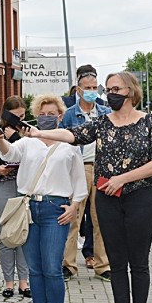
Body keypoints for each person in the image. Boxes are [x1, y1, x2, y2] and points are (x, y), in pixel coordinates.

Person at [28, 72, 152, 303]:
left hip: (140, 198)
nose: (110, 93)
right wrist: (39, 132)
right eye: (109, 88)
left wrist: (122, 179)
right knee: (116, 262)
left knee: (138, 262)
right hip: (108, 200)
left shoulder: (148, 121)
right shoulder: (102, 123)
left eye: (116, 88)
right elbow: (72, 134)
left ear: (130, 91)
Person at [0, 94, 86, 303]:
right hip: (29, 208)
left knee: (52, 267)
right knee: (34, 267)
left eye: (51, 114)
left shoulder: (69, 144)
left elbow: (79, 179)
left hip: (56, 209)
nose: (46, 118)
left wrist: (74, 206)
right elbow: (9, 154)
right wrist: (0, 139)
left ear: (60, 116)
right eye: (42, 114)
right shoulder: (28, 142)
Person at [60, 69, 112, 282]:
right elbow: (63, 141)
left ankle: (103, 265)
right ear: (78, 89)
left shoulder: (105, 112)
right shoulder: (70, 114)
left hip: (101, 168)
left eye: (95, 88)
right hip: (78, 168)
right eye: (87, 88)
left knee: (101, 218)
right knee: (74, 217)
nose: (92, 92)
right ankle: (68, 265)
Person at [0, 96, 30, 299]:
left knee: (24, 235)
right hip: (3, 186)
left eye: (23, 116)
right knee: (7, 236)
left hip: (23, 186)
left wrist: (16, 138)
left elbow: (32, 155)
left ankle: (24, 282)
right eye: (16, 116)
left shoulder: (26, 133)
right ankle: (8, 282)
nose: (20, 120)